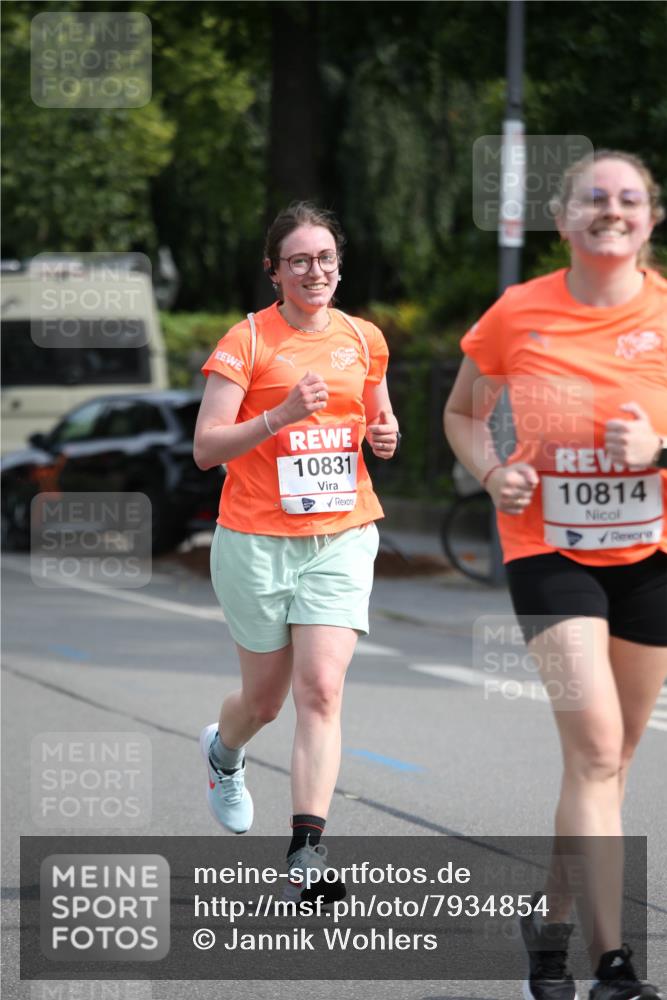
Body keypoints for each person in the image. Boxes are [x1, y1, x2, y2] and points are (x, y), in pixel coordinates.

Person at [444, 150, 666, 1000]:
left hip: (650, 554)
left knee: (606, 763)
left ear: (649, 218)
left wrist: (657, 449)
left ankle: (549, 920)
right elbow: (463, 412)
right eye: (592, 198)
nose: (610, 209)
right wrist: (491, 470)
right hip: (548, 545)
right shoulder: (517, 311)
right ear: (563, 216)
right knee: (597, 749)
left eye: (628, 198)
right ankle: (614, 967)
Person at [193, 201, 399, 898]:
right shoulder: (247, 340)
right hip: (254, 540)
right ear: (274, 271)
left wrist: (384, 434)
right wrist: (278, 416)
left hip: (340, 533)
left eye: (326, 260)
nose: (315, 271)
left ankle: (305, 850)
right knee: (265, 701)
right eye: (300, 261)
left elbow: (376, 410)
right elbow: (205, 447)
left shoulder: (364, 338)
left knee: (321, 688)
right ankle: (224, 755)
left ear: (339, 266)